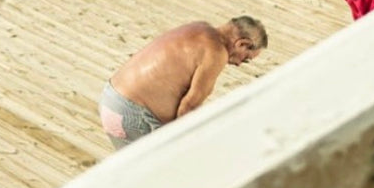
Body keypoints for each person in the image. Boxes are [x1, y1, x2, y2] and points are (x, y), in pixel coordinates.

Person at [100, 17, 267, 148]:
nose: (239, 64)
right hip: (133, 115)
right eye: (246, 59)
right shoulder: (217, 53)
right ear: (242, 43)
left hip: (111, 99)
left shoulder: (198, 27)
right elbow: (189, 108)